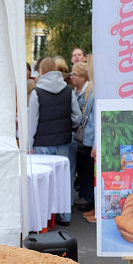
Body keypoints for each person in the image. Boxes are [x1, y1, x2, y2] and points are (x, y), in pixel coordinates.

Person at [28, 57, 82, 226]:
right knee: (64, 178)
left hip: (42, 143)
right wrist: (68, 126)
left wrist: (29, 145)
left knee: (44, 181)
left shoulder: (37, 93)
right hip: (63, 141)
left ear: (41, 71)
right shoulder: (68, 90)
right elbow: (77, 117)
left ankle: (45, 217)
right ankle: (65, 216)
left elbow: (32, 122)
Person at [71, 61, 95, 215]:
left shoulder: (89, 91)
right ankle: (86, 197)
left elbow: (85, 115)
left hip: (87, 135)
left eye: (75, 74)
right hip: (84, 135)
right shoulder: (77, 91)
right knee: (83, 168)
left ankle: (89, 198)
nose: (72, 77)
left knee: (87, 169)